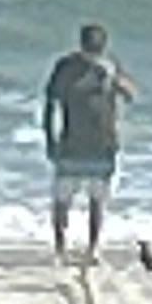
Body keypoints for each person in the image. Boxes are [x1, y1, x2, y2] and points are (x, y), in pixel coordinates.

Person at [42, 20, 135, 261]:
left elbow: (130, 95)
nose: (94, 54)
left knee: (97, 199)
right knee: (62, 199)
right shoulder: (66, 68)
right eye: (90, 49)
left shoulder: (110, 66)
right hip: (71, 143)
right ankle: (60, 247)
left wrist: (114, 80)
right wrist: (50, 139)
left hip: (103, 144)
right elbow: (50, 103)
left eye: (97, 49)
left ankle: (93, 248)